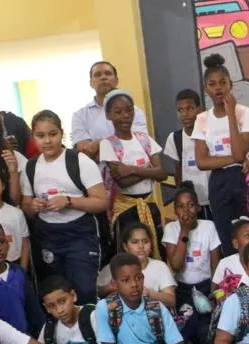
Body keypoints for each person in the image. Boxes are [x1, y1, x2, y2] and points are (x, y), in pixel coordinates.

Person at [20, 110, 108, 305]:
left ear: (62, 133)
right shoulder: (30, 167)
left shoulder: (79, 161)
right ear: (33, 137)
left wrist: (68, 201)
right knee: (54, 293)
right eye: (40, 136)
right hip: (48, 236)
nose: (47, 141)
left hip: (80, 235)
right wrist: (33, 206)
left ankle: (91, 332)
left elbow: (102, 201)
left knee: (85, 291)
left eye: (53, 134)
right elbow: (25, 206)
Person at [193, 55, 249, 252]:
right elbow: (202, 162)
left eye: (223, 83)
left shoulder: (245, 113)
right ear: (206, 88)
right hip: (218, 182)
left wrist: (231, 114)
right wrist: (236, 159)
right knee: (227, 235)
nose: (218, 88)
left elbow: (240, 153)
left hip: (243, 178)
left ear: (231, 85)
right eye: (212, 84)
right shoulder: (202, 119)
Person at [100, 90, 167, 256]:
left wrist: (131, 169)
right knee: (131, 255)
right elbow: (122, 181)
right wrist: (149, 170)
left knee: (154, 249)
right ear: (109, 115)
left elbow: (162, 174)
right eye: (118, 112)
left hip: (149, 205)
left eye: (129, 110)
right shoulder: (108, 144)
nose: (125, 116)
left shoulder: (145, 139)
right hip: (127, 210)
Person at [161, 184, 221, 324]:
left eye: (191, 205)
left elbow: (215, 264)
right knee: (187, 325)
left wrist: (213, 294)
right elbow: (176, 265)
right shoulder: (171, 229)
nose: (186, 211)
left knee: (206, 325)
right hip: (183, 289)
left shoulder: (208, 226)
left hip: (206, 286)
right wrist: (184, 231)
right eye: (181, 207)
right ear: (175, 210)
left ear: (199, 207)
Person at [72, 61, 149, 161]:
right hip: (97, 174)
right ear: (91, 83)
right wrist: (121, 145)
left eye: (108, 73)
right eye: (97, 75)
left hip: (135, 171)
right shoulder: (80, 116)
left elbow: (140, 144)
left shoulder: (135, 112)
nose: (103, 77)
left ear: (116, 80)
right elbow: (85, 150)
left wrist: (99, 144)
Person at [98, 223, 176, 309]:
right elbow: (97, 293)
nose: (141, 246)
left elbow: (171, 301)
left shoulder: (160, 266)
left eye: (145, 241)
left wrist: (150, 294)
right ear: (125, 246)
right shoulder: (113, 267)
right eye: (135, 242)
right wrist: (108, 287)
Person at [162, 88, 211, 218]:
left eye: (190, 108)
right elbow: (178, 171)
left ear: (199, 110)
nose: (185, 114)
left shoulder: (209, 134)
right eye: (180, 110)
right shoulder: (174, 138)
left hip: (213, 198)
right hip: (190, 203)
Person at [210, 217, 249, 304]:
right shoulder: (225, 263)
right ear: (236, 243)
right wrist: (220, 296)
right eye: (247, 235)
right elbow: (214, 290)